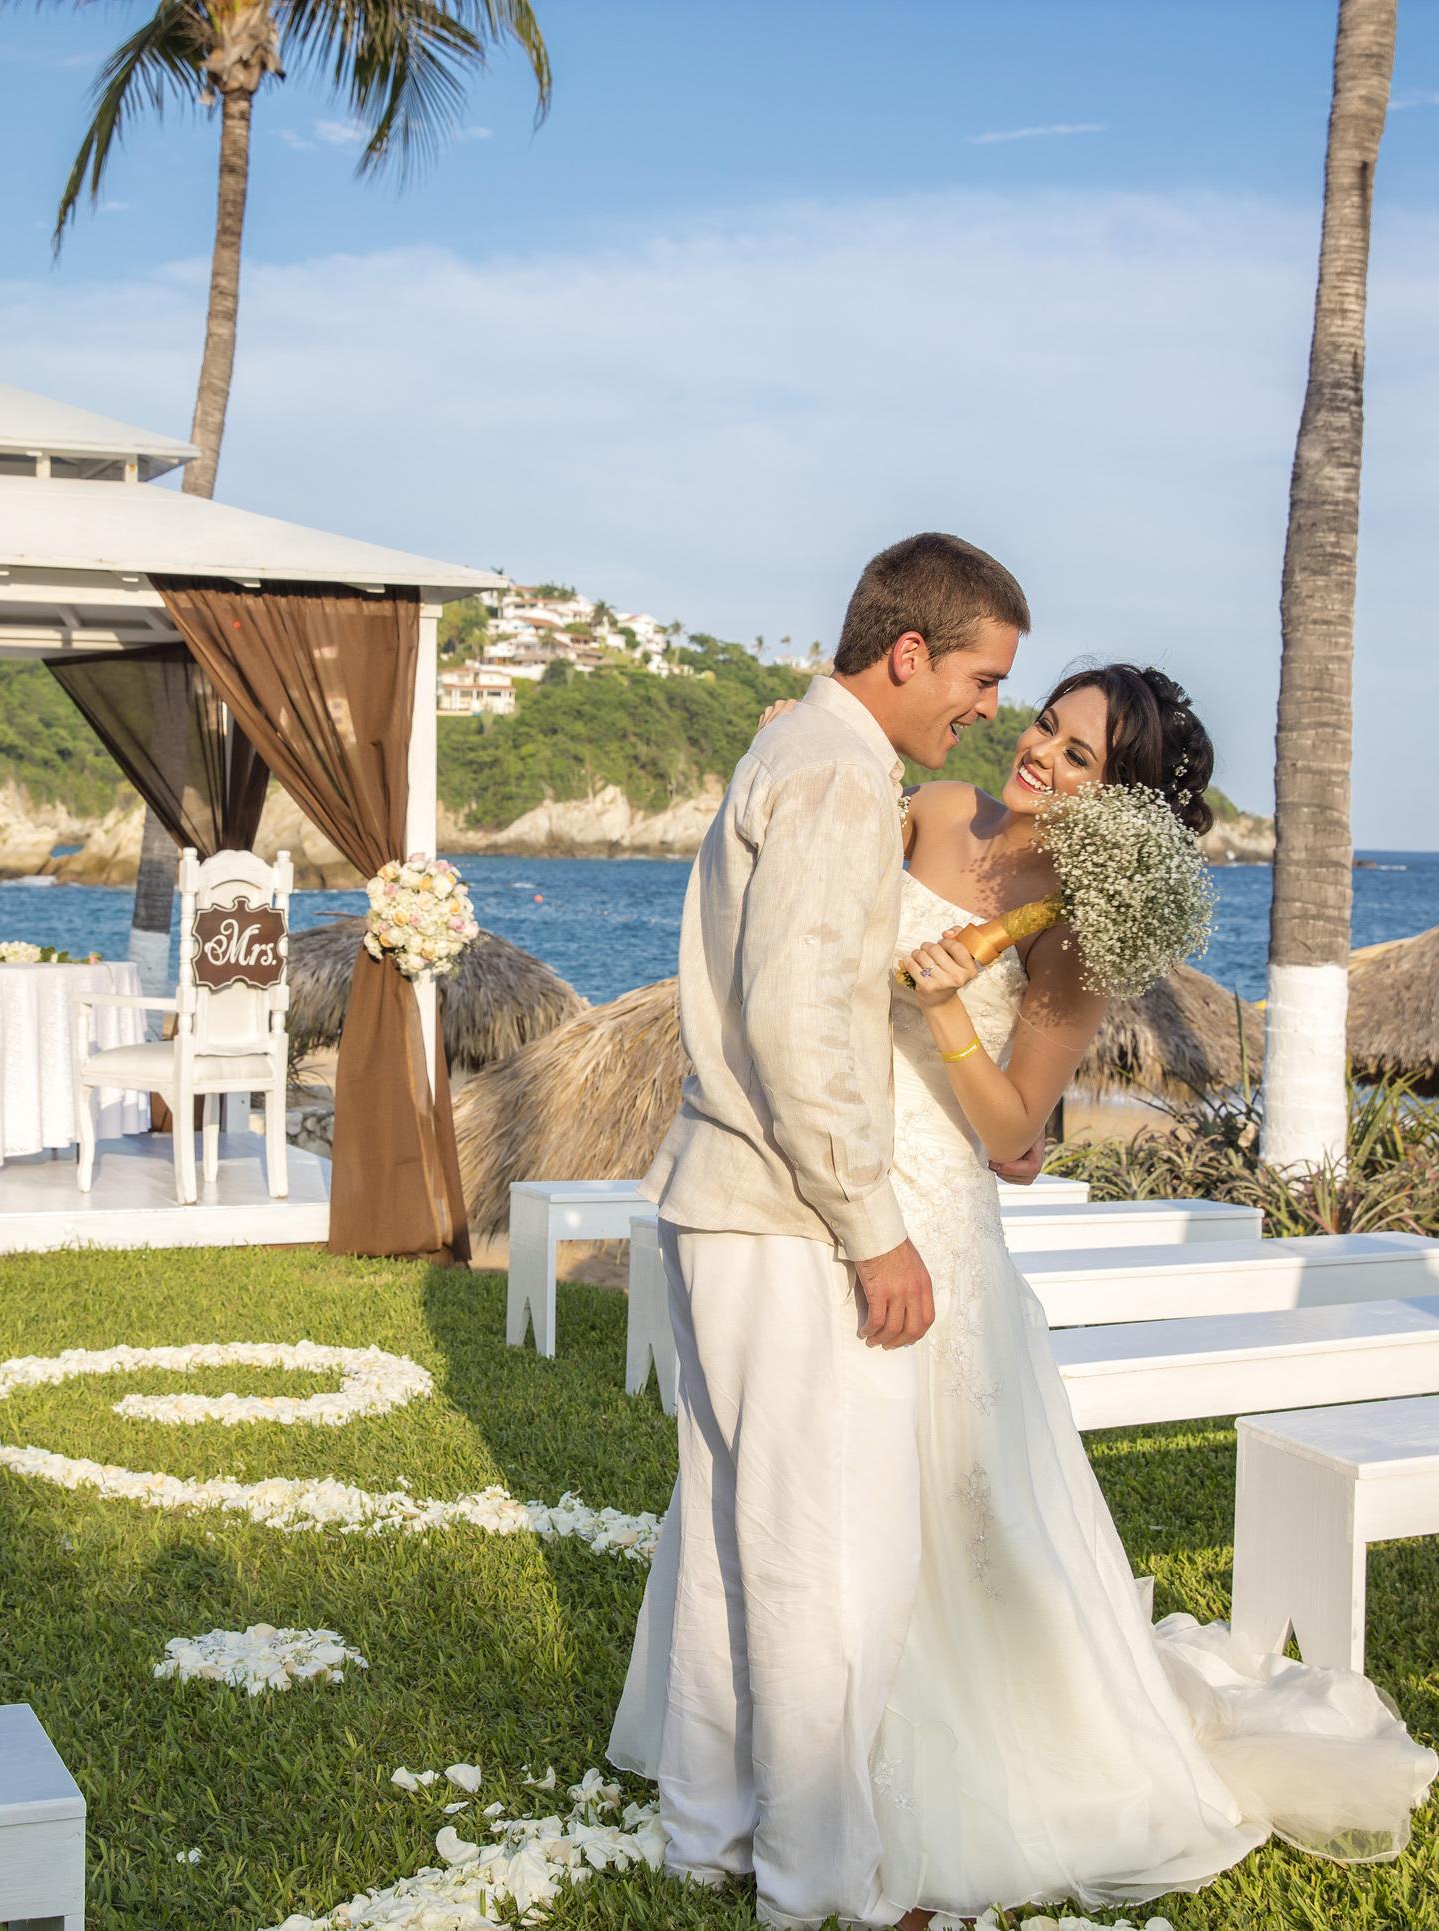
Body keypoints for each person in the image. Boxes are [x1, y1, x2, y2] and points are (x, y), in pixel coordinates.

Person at [876, 662, 1439, 1920]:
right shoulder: (932, 813)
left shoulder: (1080, 926)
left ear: (1120, 801)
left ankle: (941, 1769)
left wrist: (949, 1014)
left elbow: (1018, 1137)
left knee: (947, 1503)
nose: (1042, 758)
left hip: (936, 1207)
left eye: (1081, 759)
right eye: (1045, 728)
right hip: (842, 1185)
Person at [608, 532, 1030, 1929]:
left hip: (716, 1201)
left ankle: (710, 1834)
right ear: (909, 653)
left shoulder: (790, 743)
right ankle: (821, 1887)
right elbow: (799, 1024)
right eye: (979, 675)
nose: (987, 707)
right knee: (825, 1558)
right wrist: (872, 1226)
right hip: (787, 1217)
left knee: (744, 1536)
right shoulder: (846, 775)